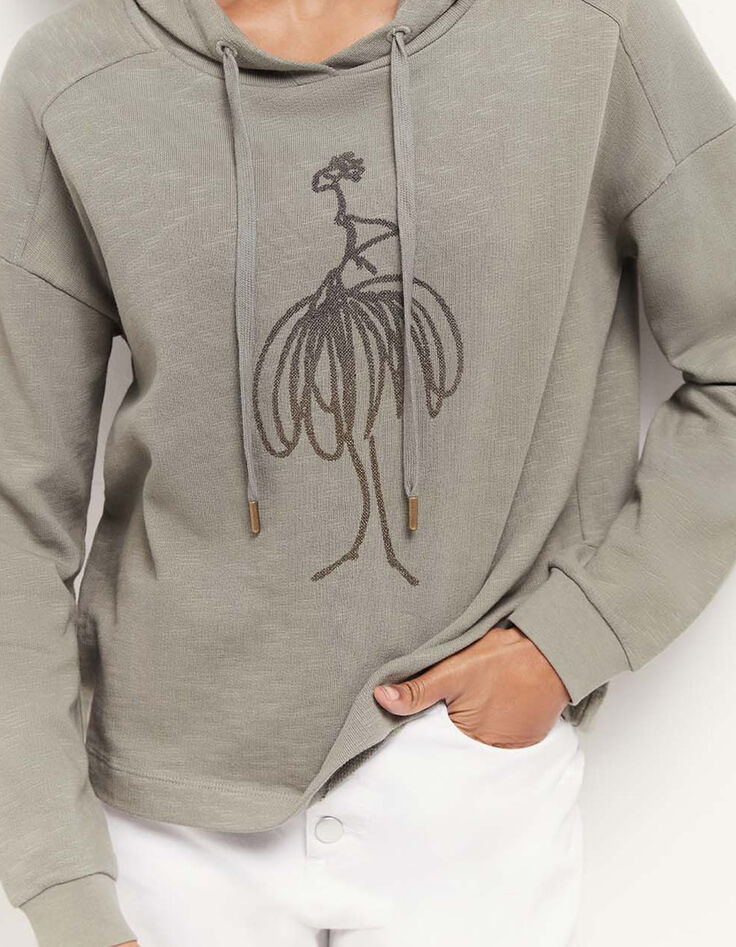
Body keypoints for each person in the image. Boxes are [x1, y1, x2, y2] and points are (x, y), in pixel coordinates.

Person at [0, 0, 734, 944]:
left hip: (467, 798)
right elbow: (16, 506)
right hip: (165, 818)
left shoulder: (588, 27)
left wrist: (572, 638)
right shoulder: (73, 78)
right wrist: (62, 886)